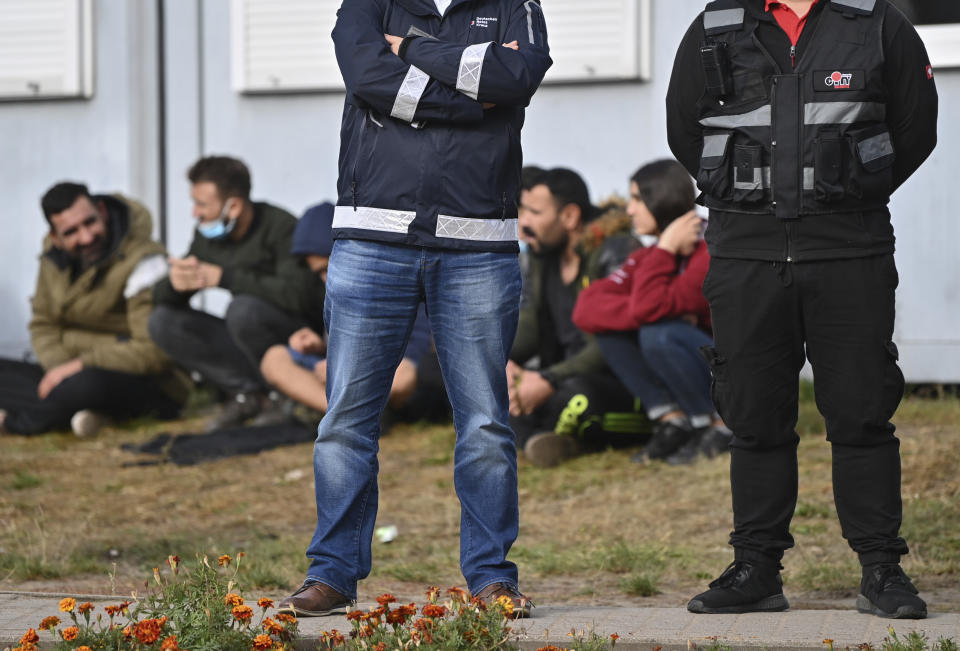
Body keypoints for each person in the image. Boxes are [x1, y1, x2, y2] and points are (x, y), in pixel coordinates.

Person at [276, 0, 551, 619]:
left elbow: (517, 79)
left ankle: (490, 580)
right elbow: (368, 80)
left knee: (485, 423)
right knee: (345, 418)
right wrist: (472, 97)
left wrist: (412, 50)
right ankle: (332, 575)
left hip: (478, 243)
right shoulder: (368, 3)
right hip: (373, 237)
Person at [666, 0, 937, 617]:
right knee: (754, 415)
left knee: (862, 413)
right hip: (744, 255)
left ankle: (882, 572)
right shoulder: (716, 25)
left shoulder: (877, 24)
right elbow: (685, 128)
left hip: (850, 251)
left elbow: (915, 131)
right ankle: (755, 570)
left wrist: (845, 196)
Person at [573, 160, 731, 465]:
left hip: (733, 373)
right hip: (701, 359)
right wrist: (662, 258)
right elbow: (587, 307)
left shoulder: (709, 248)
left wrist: (663, 255)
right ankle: (675, 422)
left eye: (636, 199)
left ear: (661, 197)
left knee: (660, 333)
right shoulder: (652, 253)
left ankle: (719, 426)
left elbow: (649, 308)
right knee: (621, 331)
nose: (629, 210)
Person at [0, 183, 189, 437]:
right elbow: (44, 324)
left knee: (85, 387)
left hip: (149, 381)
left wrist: (78, 367)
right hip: (71, 371)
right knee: (65, 388)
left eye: (90, 222)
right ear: (55, 237)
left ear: (103, 211)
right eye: (71, 232)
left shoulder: (146, 261)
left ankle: (16, 423)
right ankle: (82, 414)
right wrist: (60, 370)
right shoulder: (52, 257)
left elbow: (154, 351)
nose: (87, 237)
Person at [149, 156, 314, 431]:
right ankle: (249, 396)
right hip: (247, 343)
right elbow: (162, 298)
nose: (195, 213)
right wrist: (174, 286)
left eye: (201, 204)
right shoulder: (207, 236)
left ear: (234, 206)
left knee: (243, 310)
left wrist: (225, 278)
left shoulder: (280, 226)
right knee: (162, 321)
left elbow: (300, 295)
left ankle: (286, 395)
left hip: (298, 341)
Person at [260, 202, 448, 426]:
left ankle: (355, 415)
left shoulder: (391, 274)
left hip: (396, 371)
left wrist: (348, 372)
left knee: (402, 378)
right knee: (274, 358)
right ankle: (348, 417)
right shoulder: (332, 291)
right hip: (353, 377)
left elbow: (415, 348)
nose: (325, 278)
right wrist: (319, 346)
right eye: (319, 272)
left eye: (328, 267)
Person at [508, 167, 642, 467]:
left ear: (569, 216)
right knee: (491, 389)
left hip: (617, 383)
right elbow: (528, 327)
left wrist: (547, 379)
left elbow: (612, 342)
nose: (523, 222)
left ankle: (544, 438)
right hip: (564, 376)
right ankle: (546, 441)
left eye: (533, 212)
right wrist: (499, 361)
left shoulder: (616, 251)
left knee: (576, 397)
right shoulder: (541, 256)